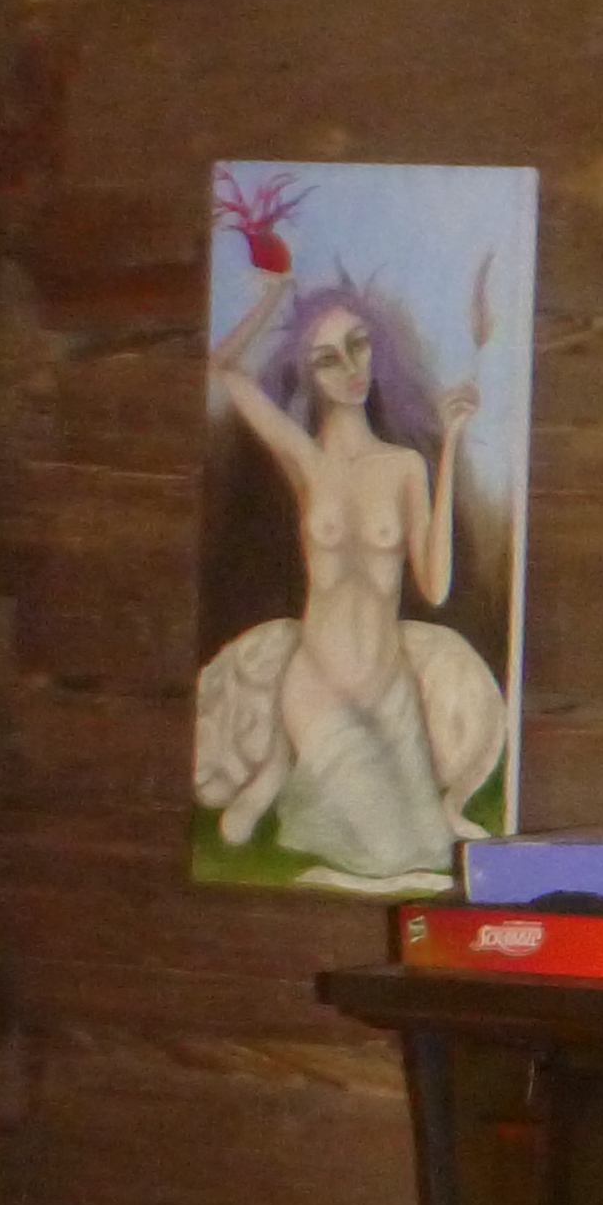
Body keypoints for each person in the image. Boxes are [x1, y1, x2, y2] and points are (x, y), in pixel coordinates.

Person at [193, 190, 509, 889]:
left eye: (358, 345)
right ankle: (281, 761)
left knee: (414, 853)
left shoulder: (405, 467)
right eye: (327, 358)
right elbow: (224, 370)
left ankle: (278, 773)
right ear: (308, 375)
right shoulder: (305, 459)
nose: (350, 367)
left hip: (388, 691)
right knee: (375, 853)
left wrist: (452, 444)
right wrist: (274, 295)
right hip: (320, 681)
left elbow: (435, 587)